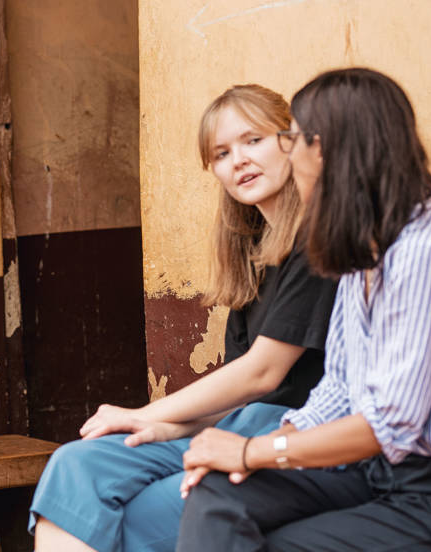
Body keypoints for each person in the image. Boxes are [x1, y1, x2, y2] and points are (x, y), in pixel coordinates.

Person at [30, 85, 338, 552]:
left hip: (295, 433)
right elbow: (236, 396)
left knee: (135, 516)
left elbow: (262, 374)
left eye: (252, 140)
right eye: (221, 152)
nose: (238, 160)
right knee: (76, 465)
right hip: (236, 425)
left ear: (289, 140)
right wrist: (168, 427)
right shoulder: (251, 258)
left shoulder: (319, 240)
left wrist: (144, 413)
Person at [178, 68, 431, 551]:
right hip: (369, 470)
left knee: (282, 542)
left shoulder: (425, 246)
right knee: (219, 493)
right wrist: (253, 452)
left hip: (426, 489)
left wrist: (254, 451)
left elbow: (390, 423)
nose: (286, 150)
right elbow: (339, 387)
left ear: (326, 150)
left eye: (291, 138)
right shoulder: (360, 249)